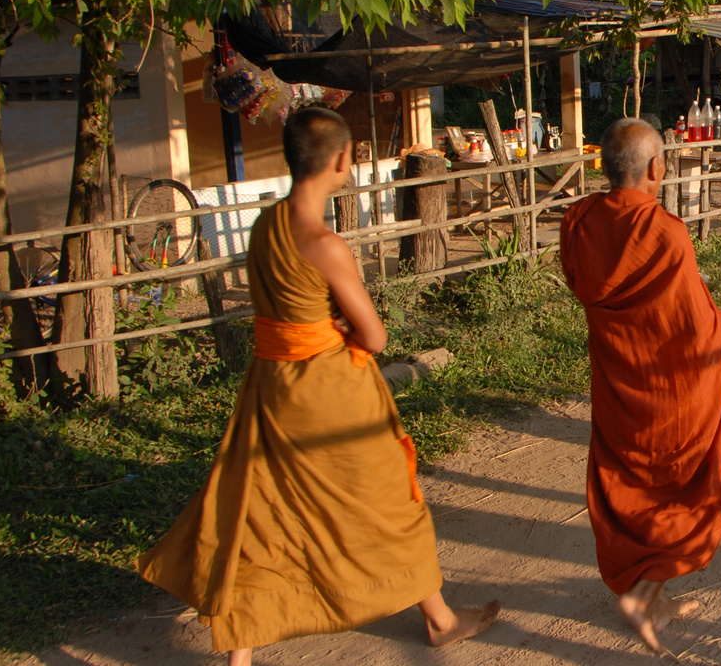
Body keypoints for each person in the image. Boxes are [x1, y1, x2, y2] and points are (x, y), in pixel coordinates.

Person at [137, 108, 498, 666]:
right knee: (386, 503)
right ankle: (442, 621)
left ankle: (240, 659)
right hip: (331, 393)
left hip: (270, 388)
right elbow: (374, 339)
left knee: (260, 514)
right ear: (339, 160)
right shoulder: (325, 245)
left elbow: (276, 311)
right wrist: (336, 328)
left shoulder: (265, 225)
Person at [559, 118, 721, 652]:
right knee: (682, 485)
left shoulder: (578, 220)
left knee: (631, 484)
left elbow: (581, 284)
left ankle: (654, 595)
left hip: (619, 381)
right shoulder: (664, 231)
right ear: (656, 168)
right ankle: (643, 591)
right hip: (669, 390)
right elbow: (692, 322)